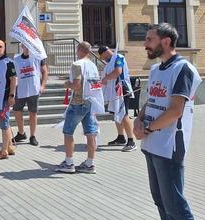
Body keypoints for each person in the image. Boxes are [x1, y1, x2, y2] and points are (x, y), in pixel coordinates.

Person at [134, 23, 205, 220]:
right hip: (152, 143)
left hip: (169, 145)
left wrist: (150, 128)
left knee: (176, 204)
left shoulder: (184, 69)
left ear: (166, 41)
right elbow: (150, 101)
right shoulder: (155, 69)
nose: (145, 44)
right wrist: (138, 120)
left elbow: (176, 110)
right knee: (160, 200)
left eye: (149, 39)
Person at [57, 41, 100, 174]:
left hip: (77, 102)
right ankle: (89, 163)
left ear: (79, 50)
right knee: (90, 133)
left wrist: (66, 83)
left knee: (68, 132)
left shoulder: (77, 65)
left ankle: (69, 162)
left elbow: (76, 85)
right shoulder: (93, 65)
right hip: (90, 101)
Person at [98, 46, 137, 152]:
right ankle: (121, 137)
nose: (102, 59)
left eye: (102, 57)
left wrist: (106, 78)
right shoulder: (110, 61)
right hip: (114, 91)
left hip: (122, 89)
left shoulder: (118, 57)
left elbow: (118, 71)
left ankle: (131, 141)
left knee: (124, 115)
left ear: (105, 52)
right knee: (116, 113)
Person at [12, 44, 48, 146]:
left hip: (34, 89)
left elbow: (45, 72)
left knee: (33, 112)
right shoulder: (16, 59)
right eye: (25, 46)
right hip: (21, 89)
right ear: (21, 46)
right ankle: (21, 133)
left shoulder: (38, 57)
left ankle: (33, 136)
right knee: (17, 111)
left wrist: (43, 86)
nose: (27, 48)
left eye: (28, 46)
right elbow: (13, 74)